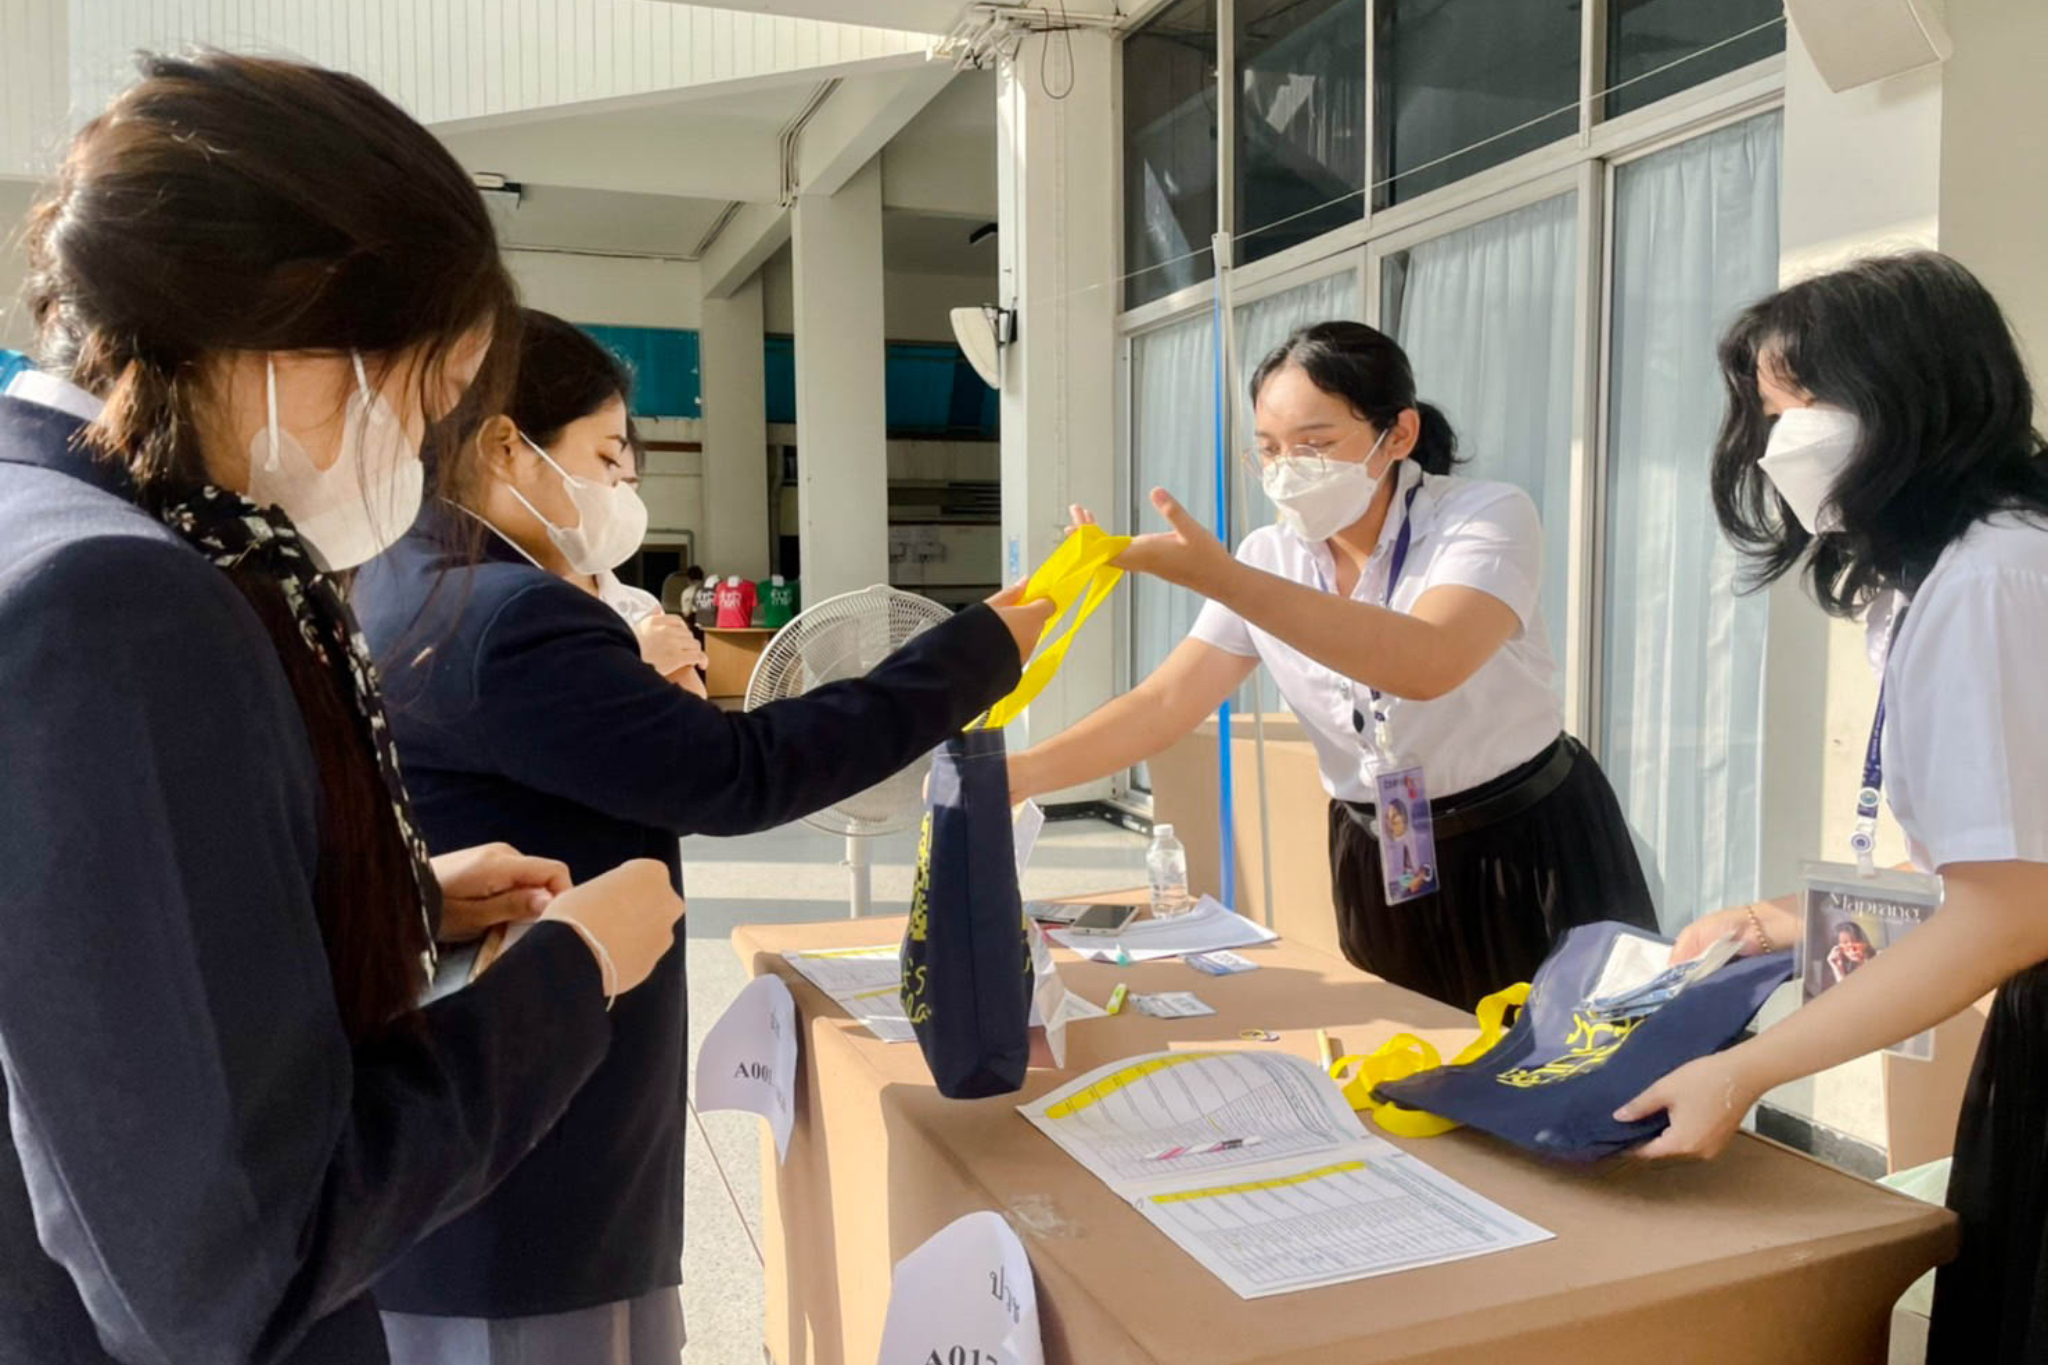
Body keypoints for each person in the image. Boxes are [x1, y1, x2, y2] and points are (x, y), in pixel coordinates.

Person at [0, 53, 682, 1365]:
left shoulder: (58, 522)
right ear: (284, 332)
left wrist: (391, 898)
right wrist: (567, 979)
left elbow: (96, 985)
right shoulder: (113, 599)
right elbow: (236, 1259)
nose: (420, 447)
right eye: (423, 391)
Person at [353, 314, 1055, 1363]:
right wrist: (974, 649)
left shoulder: (405, 579)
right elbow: (740, 773)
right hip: (521, 1172)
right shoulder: (511, 617)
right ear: (506, 447)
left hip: (485, 1121)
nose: (623, 487)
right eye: (605, 455)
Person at [1618, 252, 2048, 1365]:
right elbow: (2010, 876)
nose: (1774, 445)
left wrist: (1745, 1068)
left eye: (1792, 407)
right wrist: (1782, 924)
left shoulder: (1995, 579)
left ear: (1902, 396)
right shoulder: (1963, 569)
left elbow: (2012, 915)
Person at [1009, 321, 1656, 1010]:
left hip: (1523, 843)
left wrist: (1221, 578)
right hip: (1378, 849)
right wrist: (1013, 775)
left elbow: (1429, 659)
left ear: (1397, 435)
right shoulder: (1269, 557)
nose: (1288, 469)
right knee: (1412, 1067)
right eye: (1269, 450)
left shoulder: (1485, 517)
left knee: (1579, 1067)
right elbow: (1164, 704)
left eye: (1314, 445)